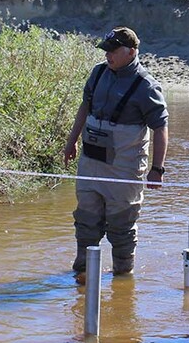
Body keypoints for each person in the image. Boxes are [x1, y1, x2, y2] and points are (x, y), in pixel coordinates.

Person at [63, 27, 169, 276]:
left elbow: (161, 128)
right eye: (106, 50)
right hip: (90, 161)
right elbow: (84, 107)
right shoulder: (99, 73)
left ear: (131, 52)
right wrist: (71, 142)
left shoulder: (147, 86)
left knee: (122, 226)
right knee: (86, 219)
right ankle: (83, 274)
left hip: (124, 167)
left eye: (113, 51)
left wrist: (157, 169)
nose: (107, 55)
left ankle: (123, 277)